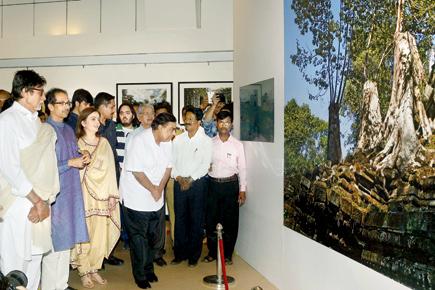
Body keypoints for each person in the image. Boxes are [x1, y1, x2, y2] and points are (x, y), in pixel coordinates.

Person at [0, 70, 59, 290]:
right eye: (40, 93)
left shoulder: (38, 124)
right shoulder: (7, 121)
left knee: (35, 260)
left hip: (41, 202)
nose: (44, 98)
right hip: (17, 203)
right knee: (15, 265)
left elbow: (47, 167)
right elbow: (10, 168)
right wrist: (37, 201)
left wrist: (45, 201)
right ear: (25, 92)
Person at [40, 88, 90, 290]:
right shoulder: (45, 130)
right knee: (54, 244)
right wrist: (70, 162)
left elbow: (73, 154)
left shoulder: (69, 129)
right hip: (55, 195)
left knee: (66, 242)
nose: (67, 106)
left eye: (68, 102)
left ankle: (61, 284)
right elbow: (44, 167)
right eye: (62, 103)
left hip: (70, 192)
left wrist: (82, 154)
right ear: (50, 106)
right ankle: (51, 286)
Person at [120, 112, 175, 289]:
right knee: (139, 239)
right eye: (170, 129)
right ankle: (140, 275)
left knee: (155, 238)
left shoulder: (167, 143)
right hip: (136, 197)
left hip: (156, 197)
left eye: (174, 129)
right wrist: (153, 188)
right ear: (158, 128)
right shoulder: (139, 141)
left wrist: (159, 188)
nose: (173, 133)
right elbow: (136, 171)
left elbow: (168, 167)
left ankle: (149, 268)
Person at [71, 107, 120, 289]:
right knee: (84, 233)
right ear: (83, 123)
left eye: (98, 119)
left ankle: (94, 268)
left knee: (100, 233)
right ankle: (84, 271)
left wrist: (112, 195)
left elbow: (110, 172)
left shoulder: (105, 143)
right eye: (93, 119)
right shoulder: (76, 144)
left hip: (103, 195)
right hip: (83, 194)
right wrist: (84, 162)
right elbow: (73, 171)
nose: (97, 122)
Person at [204, 110, 247, 265]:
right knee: (211, 220)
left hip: (231, 186)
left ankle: (228, 254)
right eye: (221, 122)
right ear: (217, 124)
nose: (224, 125)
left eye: (227, 122)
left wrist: (242, 189)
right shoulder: (210, 143)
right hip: (213, 185)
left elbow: (242, 168)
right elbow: (204, 163)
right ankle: (211, 252)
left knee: (230, 222)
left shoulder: (238, 145)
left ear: (232, 124)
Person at [171, 107, 212, 267]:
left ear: (199, 121)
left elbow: (205, 164)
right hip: (179, 183)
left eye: (190, 119)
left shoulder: (206, 140)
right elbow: (171, 162)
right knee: (180, 219)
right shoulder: (178, 140)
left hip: (197, 184)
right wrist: (179, 177)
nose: (187, 122)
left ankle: (193, 257)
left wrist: (190, 179)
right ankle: (179, 254)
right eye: (186, 119)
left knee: (196, 220)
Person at [94, 92, 124, 266]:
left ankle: (109, 253)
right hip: (98, 180)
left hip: (113, 178)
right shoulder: (92, 125)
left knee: (112, 217)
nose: (114, 110)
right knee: (99, 218)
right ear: (102, 106)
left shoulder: (112, 126)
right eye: (111, 107)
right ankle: (97, 256)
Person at [115, 103, 138, 172]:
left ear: (133, 115)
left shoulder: (138, 133)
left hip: (132, 174)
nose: (124, 116)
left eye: (127, 113)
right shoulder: (113, 130)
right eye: (121, 113)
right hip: (115, 173)